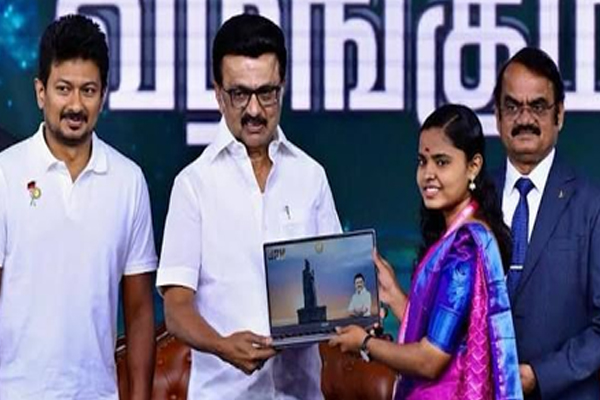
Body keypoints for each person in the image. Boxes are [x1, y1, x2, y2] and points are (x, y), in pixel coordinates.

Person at [156, 13, 341, 400]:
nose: (254, 110)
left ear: (282, 88)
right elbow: (176, 308)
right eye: (239, 94)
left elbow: (334, 292)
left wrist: (359, 309)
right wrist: (223, 345)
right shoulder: (193, 185)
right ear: (218, 93)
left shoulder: (311, 176)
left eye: (266, 93)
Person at [0, 15, 157, 399]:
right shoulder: (5, 173)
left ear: (103, 95)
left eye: (88, 90)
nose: (75, 105)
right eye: (63, 89)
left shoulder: (128, 181)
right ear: (41, 92)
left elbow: (139, 312)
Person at [330, 104, 523, 400]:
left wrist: (365, 343)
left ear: (473, 166)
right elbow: (444, 333)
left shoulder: (464, 248)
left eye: (442, 162)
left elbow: (430, 359)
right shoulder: (456, 235)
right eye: (422, 161)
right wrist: (394, 295)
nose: (428, 174)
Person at [493, 47, 600, 400]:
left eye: (538, 106)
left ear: (560, 115)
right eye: (512, 106)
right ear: (497, 116)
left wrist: (539, 376)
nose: (524, 118)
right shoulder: (473, 202)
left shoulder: (592, 205)